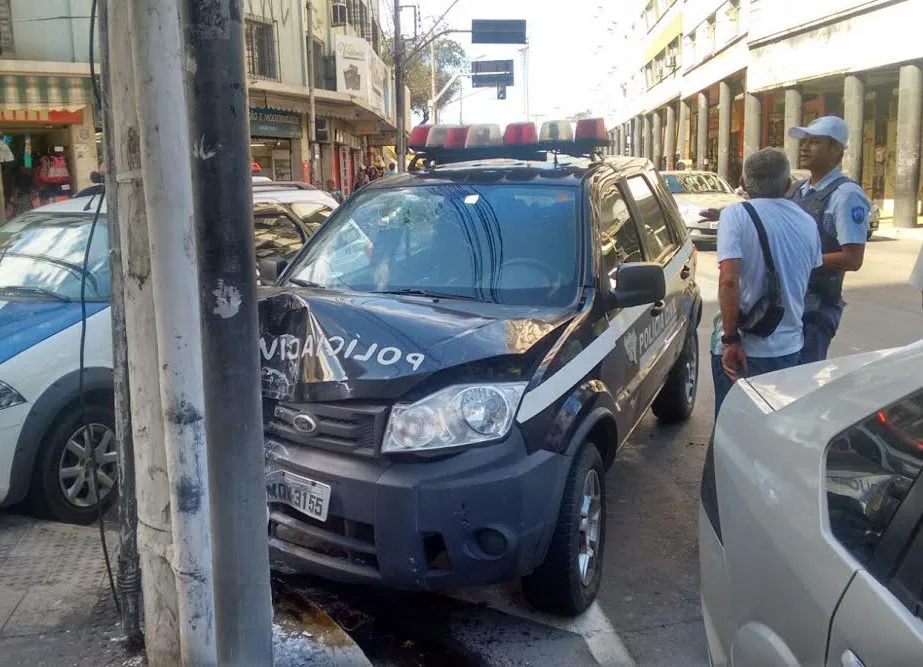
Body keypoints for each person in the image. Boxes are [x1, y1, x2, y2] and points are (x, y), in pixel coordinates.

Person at [711, 148, 822, 418]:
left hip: (743, 351)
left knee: (733, 435)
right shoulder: (807, 222)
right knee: (775, 433)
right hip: (789, 348)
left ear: (743, 184)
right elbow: (808, 275)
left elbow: (728, 281)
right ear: (787, 185)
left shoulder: (735, 215)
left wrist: (730, 340)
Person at [786, 116, 870, 363]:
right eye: (804, 141)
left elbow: (853, 259)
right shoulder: (797, 189)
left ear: (836, 150)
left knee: (802, 381)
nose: (804, 147)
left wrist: (803, 261)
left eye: (814, 142)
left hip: (815, 308)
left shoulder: (846, 196)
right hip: (791, 302)